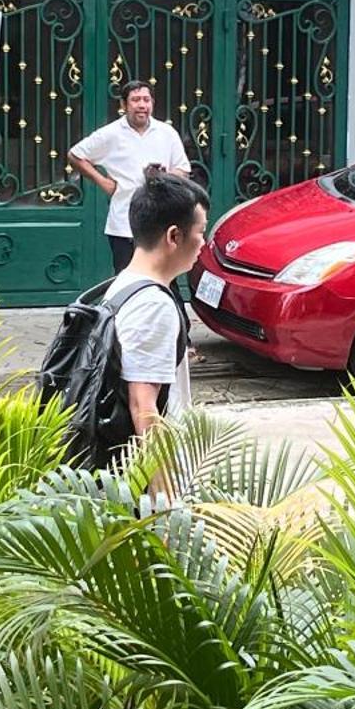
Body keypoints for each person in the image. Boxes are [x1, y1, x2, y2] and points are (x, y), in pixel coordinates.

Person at [108, 170, 209, 447]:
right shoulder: (154, 305)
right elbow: (144, 409)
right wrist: (164, 488)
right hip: (150, 476)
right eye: (200, 232)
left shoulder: (123, 284)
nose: (204, 242)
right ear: (174, 236)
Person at [68, 79, 193, 273]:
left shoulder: (167, 133)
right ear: (124, 105)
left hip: (161, 223)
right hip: (123, 223)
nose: (142, 105)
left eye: (146, 99)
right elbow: (75, 155)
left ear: (152, 103)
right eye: (135, 100)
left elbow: (183, 169)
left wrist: (165, 177)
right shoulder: (110, 134)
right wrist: (103, 182)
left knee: (163, 279)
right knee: (126, 281)